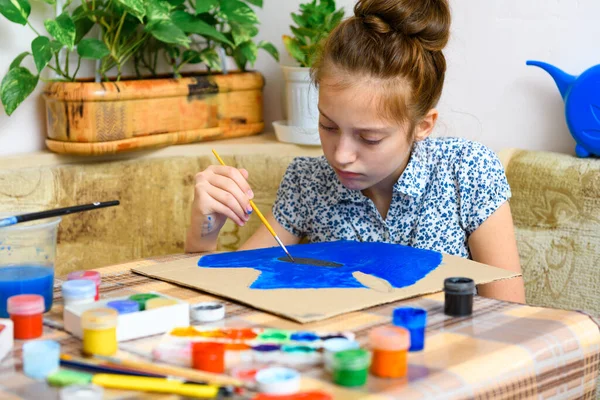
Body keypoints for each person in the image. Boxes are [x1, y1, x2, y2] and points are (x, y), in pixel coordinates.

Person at [185, 0, 526, 303]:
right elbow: (227, 299)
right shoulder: (307, 182)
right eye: (328, 126)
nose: (341, 155)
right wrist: (205, 230)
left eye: (370, 138)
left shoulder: (467, 170)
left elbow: (511, 320)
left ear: (422, 125)